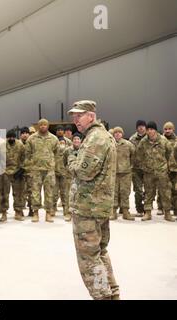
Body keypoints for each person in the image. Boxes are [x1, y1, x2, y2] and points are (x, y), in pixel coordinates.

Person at [67, 100, 119, 300]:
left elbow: (83, 171)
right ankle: (112, 294)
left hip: (88, 208)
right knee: (99, 252)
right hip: (97, 206)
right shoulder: (99, 136)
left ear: (91, 116)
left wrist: (72, 158)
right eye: (74, 116)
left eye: (79, 115)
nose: (76, 119)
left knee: (89, 259)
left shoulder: (96, 138)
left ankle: (103, 296)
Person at [136, 121, 175, 222]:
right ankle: (148, 212)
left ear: (155, 130)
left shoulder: (163, 140)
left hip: (162, 172)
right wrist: (144, 166)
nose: (150, 131)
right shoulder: (143, 142)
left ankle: (167, 213)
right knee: (148, 193)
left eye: (152, 129)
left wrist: (166, 167)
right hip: (148, 172)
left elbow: (169, 153)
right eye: (148, 130)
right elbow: (139, 156)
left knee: (165, 193)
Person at [24, 119, 58, 223]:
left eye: (45, 125)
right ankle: (35, 213)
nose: (43, 126)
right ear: (38, 126)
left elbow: (56, 153)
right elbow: (27, 154)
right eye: (41, 125)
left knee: (49, 192)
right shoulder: (32, 138)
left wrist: (51, 163)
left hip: (49, 170)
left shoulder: (53, 138)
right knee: (35, 192)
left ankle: (48, 213)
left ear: (48, 126)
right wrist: (31, 166)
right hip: (36, 170)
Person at [0, 129, 25, 221]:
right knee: (3, 194)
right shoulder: (2, 146)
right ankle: (3, 213)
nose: (11, 139)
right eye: (9, 137)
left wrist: (21, 169)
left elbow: (24, 157)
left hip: (17, 172)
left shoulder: (20, 145)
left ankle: (18, 212)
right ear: (7, 138)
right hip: (4, 172)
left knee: (18, 193)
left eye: (13, 137)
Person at [111, 127, 135, 221]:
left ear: (122, 134)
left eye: (119, 132)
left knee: (125, 192)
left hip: (125, 173)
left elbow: (133, 156)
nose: (117, 134)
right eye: (115, 132)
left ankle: (125, 212)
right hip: (114, 173)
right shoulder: (110, 144)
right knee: (114, 193)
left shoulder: (128, 144)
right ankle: (113, 212)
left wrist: (130, 166)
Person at [129, 120, 147, 216]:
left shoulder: (150, 138)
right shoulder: (132, 139)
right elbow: (129, 153)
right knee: (138, 190)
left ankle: (147, 209)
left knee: (149, 190)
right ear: (137, 128)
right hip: (136, 169)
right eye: (139, 126)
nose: (141, 128)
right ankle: (139, 210)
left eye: (143, 126)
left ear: (145, 127)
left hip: (148, 168)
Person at [162, 122, 177, 215]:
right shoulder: (160, 140)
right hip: (163, 168)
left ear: (173, 129)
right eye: (166, 129)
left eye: (169, 129)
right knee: (163, 190)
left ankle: (175, 208)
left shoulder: (176, 140)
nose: (167, 131)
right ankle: (162, 208)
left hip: (175, 169)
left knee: (175, 190)